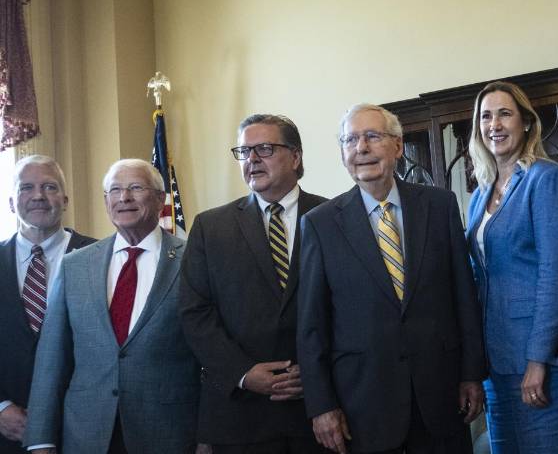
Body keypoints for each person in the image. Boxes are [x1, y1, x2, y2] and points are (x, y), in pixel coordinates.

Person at [297, 104, 485, 454]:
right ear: (342, 153)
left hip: (441, 398)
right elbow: (311, 326)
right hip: (363, 406)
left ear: (398, 146)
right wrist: (322, 406)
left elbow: (464, 295)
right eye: (350, 140)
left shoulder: (439, 206)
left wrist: (471, 373)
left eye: (372, 136)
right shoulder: (320, 224)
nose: (361, 148)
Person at [24, 159, 200, 454]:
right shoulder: (76, 265)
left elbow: (208, 357)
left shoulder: (193, 260)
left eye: (135, 188)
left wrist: (209, 434)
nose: (124, 198)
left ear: (160, 199)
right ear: (106, 201)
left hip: (170, 432)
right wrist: (40, 438)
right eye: (114, 190)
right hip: (86, 434)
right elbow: (51, 358)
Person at [180, 114, 328, 452]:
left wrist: (317, 372)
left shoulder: (332, 217)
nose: (252, 159)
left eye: (264, 148)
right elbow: (195, 313)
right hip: (239, 416)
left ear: (296, 156)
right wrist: (244, 373)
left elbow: (351, 308)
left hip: (318, 413)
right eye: (244, 151)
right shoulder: (210, 227)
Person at [464, 81, 558, 453]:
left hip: (549, 362)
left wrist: (537, 360)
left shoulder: (545, 178)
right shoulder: (479, 196)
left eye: (505, 114)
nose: (495, 125)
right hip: (498, 365)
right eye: (486, 116)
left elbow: (557, 276)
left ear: (526, 123)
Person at [0, 156, 95, 453]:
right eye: (27, 187)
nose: (39, 196)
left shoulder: (100, 257)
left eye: (49, 187)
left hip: (82, 429)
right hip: (6, 432)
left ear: (65, 200)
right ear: (13, 202)